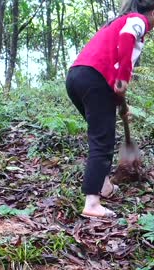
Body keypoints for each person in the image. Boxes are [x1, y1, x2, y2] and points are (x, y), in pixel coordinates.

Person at [66, 0, 154, 218]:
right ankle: (92, 203)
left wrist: (120, 102)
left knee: (101, 134)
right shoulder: (137, 20)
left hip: (77, 77)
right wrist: (123, 80)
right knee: (102, 140)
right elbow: (126, 40)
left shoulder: (118, 22)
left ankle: (103, 184)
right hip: (94, 79)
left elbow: (111, 62)